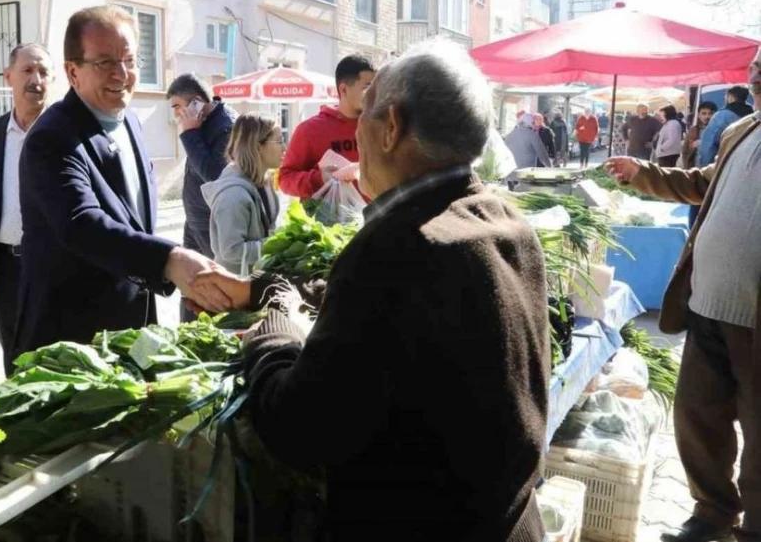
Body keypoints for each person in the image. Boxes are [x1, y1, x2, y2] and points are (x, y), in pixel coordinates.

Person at [192, 39, 549, 542]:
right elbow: (397, 308)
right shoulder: (505, 222)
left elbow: (298, 428)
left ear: (392, 127)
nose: (355, 128)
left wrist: (272, 327)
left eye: (365, 112)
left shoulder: (397, 248)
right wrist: (267, 287)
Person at [603, 54, 761, 542]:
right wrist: (641, 171)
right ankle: (712, 514)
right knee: (697, 416)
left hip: (755, 318)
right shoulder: (744, 130)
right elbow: (698, 182)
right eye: (755, 68)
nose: (755, 76)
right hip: (708, 302)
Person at [15, 5, 230, 359]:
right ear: (72, 71)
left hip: (130, 329)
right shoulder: (51, 138)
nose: (122, 74)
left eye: (130, 61)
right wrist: (169, 260)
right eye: (105, 63)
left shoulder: (128, 121)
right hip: (73, 339)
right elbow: (81, 225)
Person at [0, 44, 53, 370]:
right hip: (6, 271)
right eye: (28, 71)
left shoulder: (67, 133)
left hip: (54, 268)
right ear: (8, 77)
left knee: (55, 357)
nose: (36, 80)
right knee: (15, 357)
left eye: (44, 72)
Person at [167, 73, 236, 322]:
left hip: (212, 224)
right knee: (190, 287)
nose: (176, 115)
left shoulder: (224, 126)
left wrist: (190, 134)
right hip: (195, 221)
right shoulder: (205, 123)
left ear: (196, 102)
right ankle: (188, 335)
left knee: (214, 287)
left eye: (177, 107)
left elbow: (214, 175)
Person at [277, 55, 375, 200]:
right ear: (343, 90)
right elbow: (285, 180)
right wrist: (319, 178)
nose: (374, 94)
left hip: (379, 219)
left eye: (375, 88)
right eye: (367, 87)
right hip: (330, 221)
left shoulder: (379, 127)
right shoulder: (309, 130)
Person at [200, 113, 283, 275]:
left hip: (257, 282)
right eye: (279, 141)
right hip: (235, 288)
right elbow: (231, 250)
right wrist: (279, 245)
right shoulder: (233, 196)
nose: (285, 148)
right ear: (258, 146)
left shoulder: (263, 181)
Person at [698, 85, 753, 167]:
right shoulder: (754, 115)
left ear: (730, 98)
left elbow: (708, 146)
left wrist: (704, 169)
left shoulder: (721, 116)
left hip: (724, 165)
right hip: (748, 164)